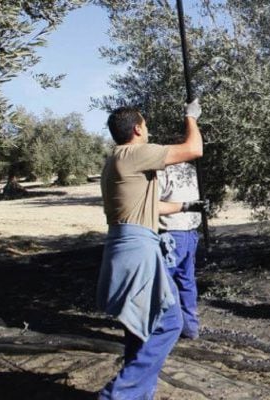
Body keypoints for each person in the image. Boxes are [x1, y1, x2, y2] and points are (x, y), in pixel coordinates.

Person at [96, 99, 206, 399]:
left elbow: (149, 205)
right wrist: (190, 117)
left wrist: (185, 205)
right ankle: (118, 394)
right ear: (137, 128)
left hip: (123, 245)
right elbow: (193, 148)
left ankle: (136, 394)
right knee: (170, 323)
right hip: (138, 250)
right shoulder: (136, 153)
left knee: (140, 324)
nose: (148, 129)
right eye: (145, 125)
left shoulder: (115, 160)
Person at [157, 162, 204, 339]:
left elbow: (152, 205)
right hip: (190, 232)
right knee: (186, 281)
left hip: (170, 234)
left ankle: (168, 329)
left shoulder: (162, 171)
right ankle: (190, 328)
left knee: (165, 283)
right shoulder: (192, 169)